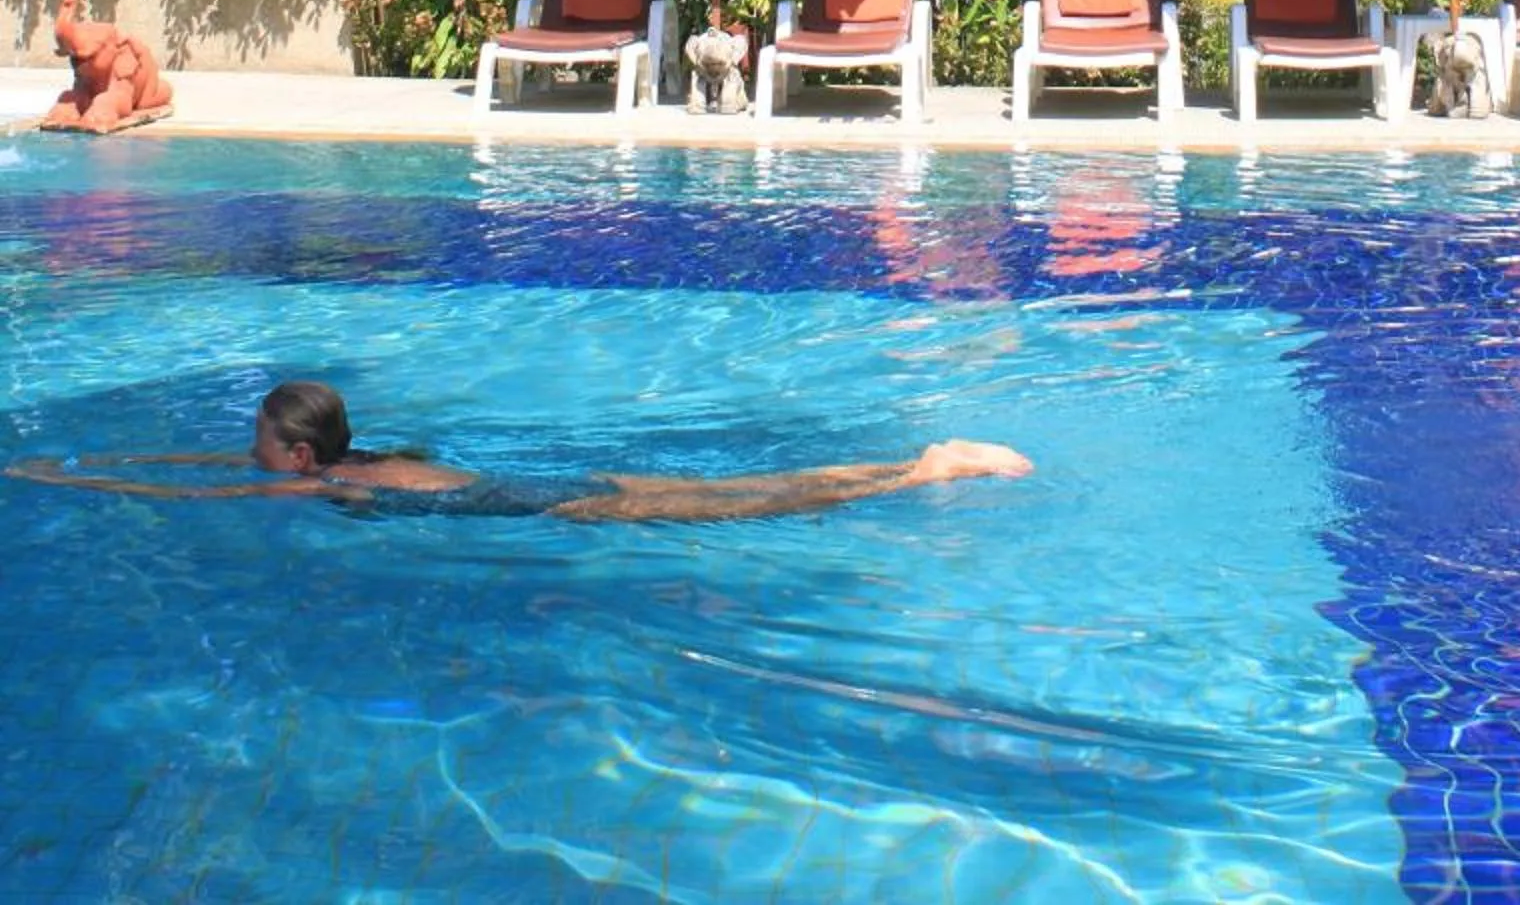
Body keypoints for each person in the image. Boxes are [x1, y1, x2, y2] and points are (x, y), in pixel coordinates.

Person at [6, 378, 1033, 523]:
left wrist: (76, 481)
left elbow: (198, 498)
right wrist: (61, 466)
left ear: (300, 459)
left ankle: (925, 470)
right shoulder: (355, 460)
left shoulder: (309, 493)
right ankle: (915, 458)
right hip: (535, 484)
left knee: (738, 504)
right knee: (733, 485)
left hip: (545, 503)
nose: (247, 452)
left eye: (258, 441)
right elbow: (205, 473)